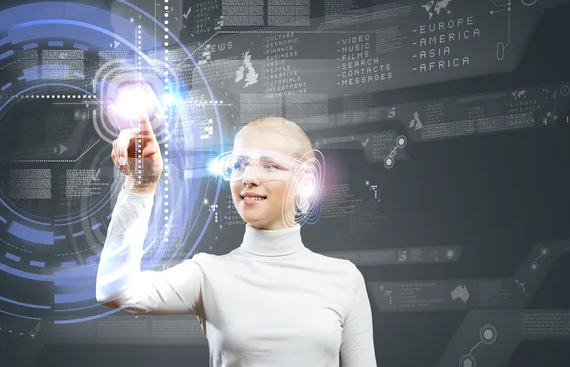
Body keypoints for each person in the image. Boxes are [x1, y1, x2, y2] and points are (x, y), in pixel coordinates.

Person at [96, 112, 377, 367]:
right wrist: (140, 186)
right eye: (240, 164)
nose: (248, 177)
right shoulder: (208, 274)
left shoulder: (344, 279)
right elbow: (115, 291)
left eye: (270, 166)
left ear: (305, 182)